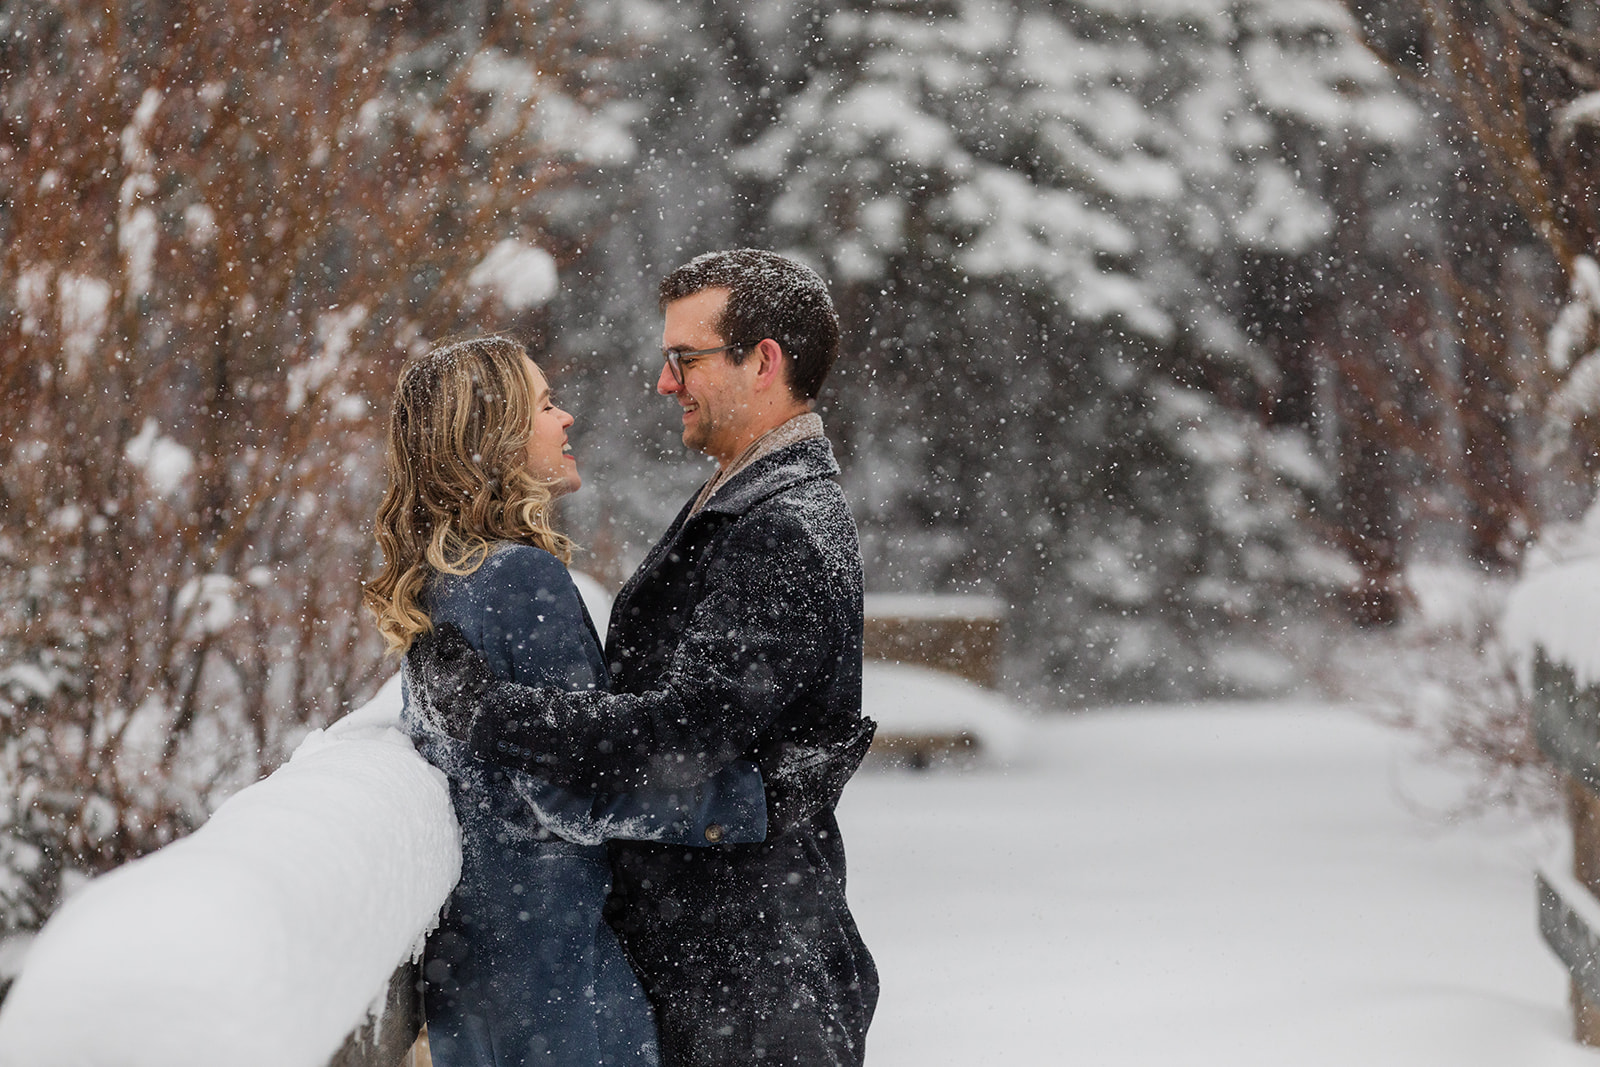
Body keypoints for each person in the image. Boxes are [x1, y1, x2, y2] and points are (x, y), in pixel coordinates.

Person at [409, 250, 879, 1067]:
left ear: (763, 361)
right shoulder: (743, 502)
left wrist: (490, 714)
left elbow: (681, 734)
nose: (666, 383)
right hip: (718, 968)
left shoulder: (783, 527)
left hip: (751, 984)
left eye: (684, 358)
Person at [363, 336, 769, 1067]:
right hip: (559, 984)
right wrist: (752, 798)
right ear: (492, 437)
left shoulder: (444, 581)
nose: (566, 417)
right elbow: (577, 787)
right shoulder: (520, 581)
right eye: (545, 404)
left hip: (481, 977)